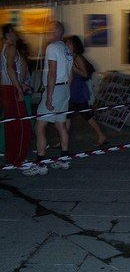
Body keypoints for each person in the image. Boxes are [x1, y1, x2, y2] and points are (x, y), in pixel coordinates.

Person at [23, 21, 73, 176]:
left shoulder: (52, 47)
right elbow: (70, 75)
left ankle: (41, 163)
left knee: (39, 126)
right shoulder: (67, 49)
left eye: (49, 30)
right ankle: (64, 159)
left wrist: (49, 97)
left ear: (55, 31)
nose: (47, 33)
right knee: (61, 125)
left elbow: (52, 72)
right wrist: (66, 92)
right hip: (64, 89)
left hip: (55, 89)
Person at [64, 35, 107, 146]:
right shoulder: (70, 57)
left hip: (78, 90)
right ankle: (64, 140)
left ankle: (101, 135)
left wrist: (74, 68)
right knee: (66, 116)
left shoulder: (77, 57)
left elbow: (85, 74)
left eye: (69, 43)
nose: (67, 45)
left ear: (75, 45)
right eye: (66, 43)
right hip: (72, 90)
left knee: (86, 115)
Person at [0, 24, 32, 169]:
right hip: (12, 90)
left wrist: (20, 84)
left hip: (7, 89)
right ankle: (18, 159)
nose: (16, 33)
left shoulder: (4, 48)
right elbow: (10, 69)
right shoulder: (11, 47)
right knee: (22, 125)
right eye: (14, 31)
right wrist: (19, 88)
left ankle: (11, 158)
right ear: (8, 33)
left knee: (11, 125)